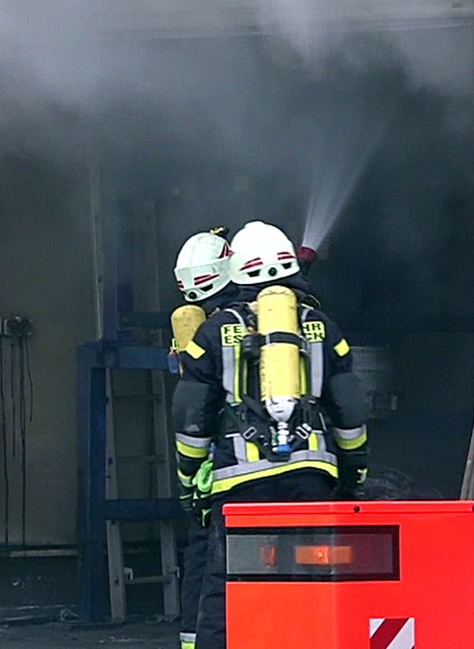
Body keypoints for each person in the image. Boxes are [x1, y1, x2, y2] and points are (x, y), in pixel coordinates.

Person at [171, 220, 370, 649]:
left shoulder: (213, 332)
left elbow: (191, 419)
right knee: (311, 588)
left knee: (226, 591)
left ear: (236, 272)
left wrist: (190, 485)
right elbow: (350, 413)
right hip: (311, 481)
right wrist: (353, 478)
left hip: (239, 488)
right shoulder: (323, 328)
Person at [169, 227, 237, 649]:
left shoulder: (194, 328)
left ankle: (192, 641)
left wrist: (189, 477)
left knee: (205, 558)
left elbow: (191, 405)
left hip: (212, 465)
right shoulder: (251, 318)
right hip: (258, 459)